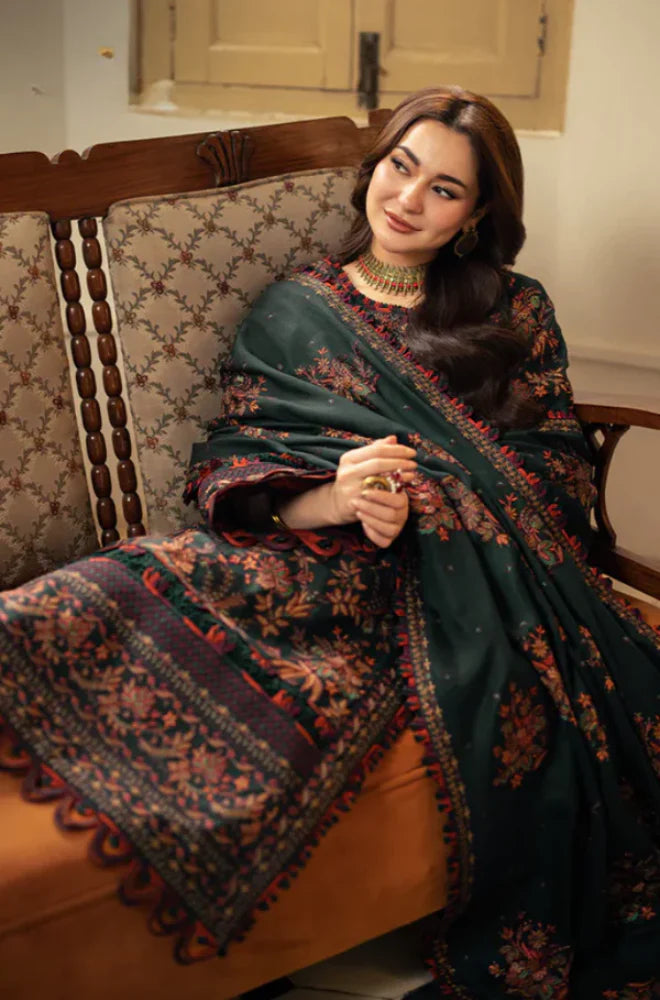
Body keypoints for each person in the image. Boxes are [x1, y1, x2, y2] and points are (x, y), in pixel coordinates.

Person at [1, 86, 659, 998]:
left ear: (476, 215)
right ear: (375, 166)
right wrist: (336, 499)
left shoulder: (516, 312)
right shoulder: (294, 311)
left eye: (444, 190)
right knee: (115, 579)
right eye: (400, 167)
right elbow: (232, 466)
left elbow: (558, 475)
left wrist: (421, 503)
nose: (407, 200)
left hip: (430, 594)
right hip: (291, 555)